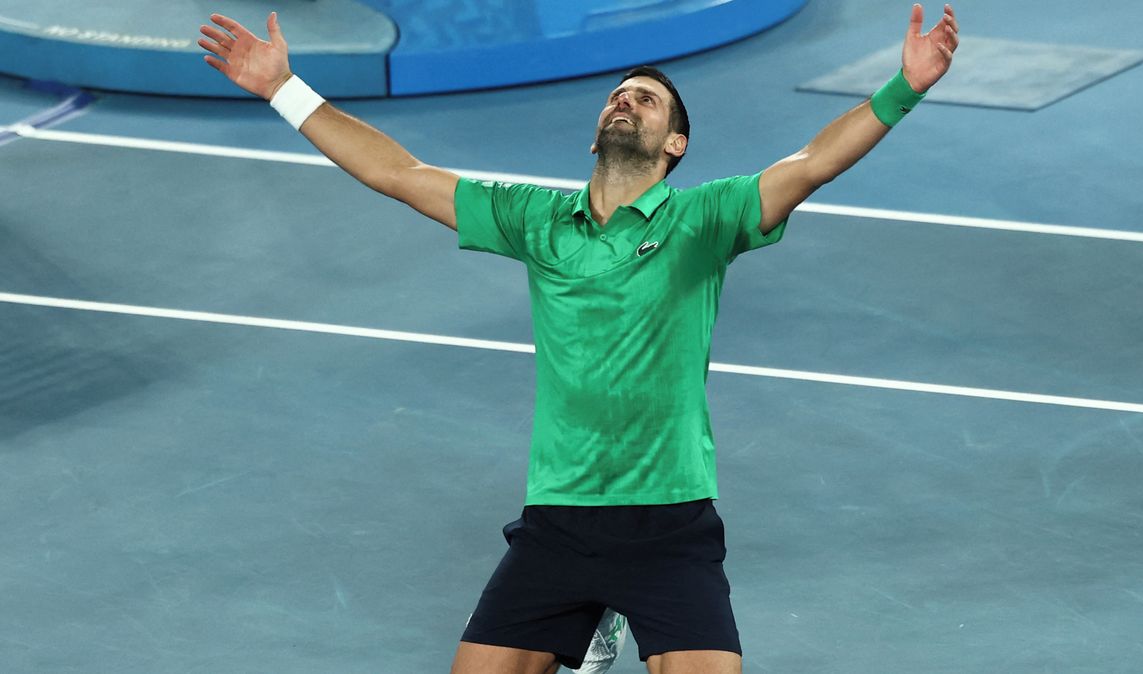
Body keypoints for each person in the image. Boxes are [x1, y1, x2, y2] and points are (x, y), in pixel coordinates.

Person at [198, 5, 958, 673]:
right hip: (559, 521)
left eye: (649, 99)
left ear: (676, 146)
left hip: (672, 523)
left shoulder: (704, 220)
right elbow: (400, 173)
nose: (627, 99)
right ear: (597, 131)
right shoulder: (535, 219)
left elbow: (812, 162)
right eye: (619, 93)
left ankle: (616, 613)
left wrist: (905, 87)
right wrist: (282, 90)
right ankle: (596, 616)